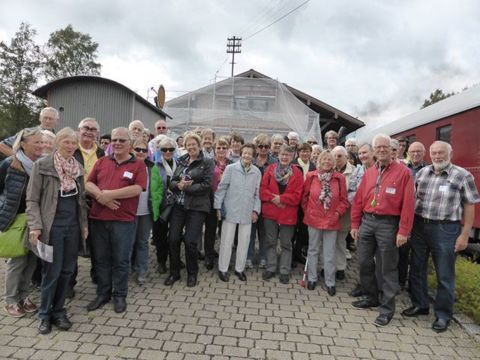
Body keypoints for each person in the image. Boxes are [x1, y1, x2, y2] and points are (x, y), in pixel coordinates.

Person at [402, 141, 479, 333]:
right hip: (420, 226)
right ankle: (420, 305)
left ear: (450, 154)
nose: (437, 156)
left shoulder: (462, 175)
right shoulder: (422, 173)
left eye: (441, 153)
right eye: (434, 153)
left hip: (445, 230)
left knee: (444, 274)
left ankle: (443, 315)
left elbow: (470, 205)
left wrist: (465, 235)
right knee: (417, 268)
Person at [26, 127, 88, 334]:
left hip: (72, 228)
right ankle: (44, 314)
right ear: (57, 143)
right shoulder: (42, 165)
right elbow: (32, 199)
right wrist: (35, 225)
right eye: (66, 142)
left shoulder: (78, 168)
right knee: (51, 272)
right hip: (51, 228)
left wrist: (84, 225)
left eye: (73, 143)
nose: (70, 146)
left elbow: (81, 201)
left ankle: (59, 311)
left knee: (67, 271)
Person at [350, 133, 414, 327]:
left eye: (385, 147)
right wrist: (354, 224)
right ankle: (371, 297)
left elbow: (409, 205)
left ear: (392, 149)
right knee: (363, 261)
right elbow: (359, 200)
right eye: (378, 148)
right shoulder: (369, 172)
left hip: (388, 224)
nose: (381, 150)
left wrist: (404, 231)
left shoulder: (403, 173)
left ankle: (386, 310)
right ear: (374, 151)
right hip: (368, 221)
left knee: (386, 268)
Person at [85, 127, 147, 313]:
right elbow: (88, 183)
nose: (117, 143)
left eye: (122, 140)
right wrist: (100, 196)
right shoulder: (102, 161)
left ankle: (120, 295)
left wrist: (109, 194)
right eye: (115, 140)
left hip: (123, 221)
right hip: (99, 219)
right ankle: (103, 294)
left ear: (130, 143)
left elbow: (137, 189)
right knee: (101, 259)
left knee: (121, 260)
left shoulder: (138, 165)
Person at [1, 127, 44, 318]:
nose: (41, 146)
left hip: (36, 220)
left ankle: (24, 296)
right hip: (15, 219)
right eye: (37, 142)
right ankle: (10, 300)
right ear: (23, 144)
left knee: (32, 260)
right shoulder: (10, 164)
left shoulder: (42, 165)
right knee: (17, 261)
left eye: (42, 142)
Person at [164, 132, 214, 287]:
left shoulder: (207, 162)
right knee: (173, 239)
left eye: (194, 144)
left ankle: (192, 273)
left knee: (191, 241)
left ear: (199, 146)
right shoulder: (181, 160)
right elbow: (172, 182)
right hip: (179, 206)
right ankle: (174, 273)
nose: (191, 147)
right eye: (188, 145)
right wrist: (177, 185)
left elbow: (207, 185)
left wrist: (187, 187)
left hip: (196, 207)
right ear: (184, 147)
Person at [302, 150, 348, 295]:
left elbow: (344, 201)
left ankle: (330, 282)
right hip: (313, 218)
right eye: (324, 159)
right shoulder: (311, 176)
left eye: (330, 159)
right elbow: (304, 197)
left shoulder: (339, 178)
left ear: (333, 162)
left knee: (329, 252)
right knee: (313, 249)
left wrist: (337, 213)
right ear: (319, 161)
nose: (327, 162)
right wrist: (308, 211)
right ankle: (312, 278)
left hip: (331, 220)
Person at [215, 144, 261, 282]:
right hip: (230, 210)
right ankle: (223, 269)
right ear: (241, 154)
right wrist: (218, 207)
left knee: (244, 242)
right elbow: (221, 188)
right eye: (245, 153)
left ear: (253, 156)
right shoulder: (231, 169)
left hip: (247, 211)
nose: (247, 156)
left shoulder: (257, 172)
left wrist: (255, 211)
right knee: (226, 241)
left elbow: (258, 194)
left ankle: (239, 269)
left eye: (250, 154)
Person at [261, 145, 304, 284]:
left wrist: (282, 199)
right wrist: (275, 199)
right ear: (278, 155)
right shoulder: (270, 169)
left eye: (288, 155)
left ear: (292, 157)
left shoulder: (297, 173)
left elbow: (298, 195)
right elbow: (262, 190)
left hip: (287, 213)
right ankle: (271, 268)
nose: (285, 157)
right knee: (270, 242)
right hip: (271, 212)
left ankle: (285, 270)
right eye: (282, 154)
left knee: (286, 244)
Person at [130, 140, 163, 285]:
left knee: (142, 242)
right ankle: (128, 269)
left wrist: (156, 203)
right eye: (138, 149)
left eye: (144, 150)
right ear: (132, 149)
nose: (141, 152)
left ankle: (141, 270)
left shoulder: (152, 168)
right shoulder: (127, 165)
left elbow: (159, 188)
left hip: (146, 212)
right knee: (128, 242)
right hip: (129, 212)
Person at [347, 143, 375, 297]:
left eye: (366, 153)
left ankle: (374, 288)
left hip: (375, 217)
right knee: (363, 255)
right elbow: (351, 191)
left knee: (376, 257)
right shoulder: (357, 170)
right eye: (361, 153)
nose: (363, 156)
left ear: (373, 153)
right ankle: (363, 284)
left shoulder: (379, 170)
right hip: (361, 215)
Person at [246, 134, 276, 268]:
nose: (263, 149)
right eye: (261, 146)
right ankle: (249, 257)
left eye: (266, 146)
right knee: (250, 231)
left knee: (264, 232)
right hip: (250, 200)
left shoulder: (275, 162)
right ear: (256, 147)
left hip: (267, 201)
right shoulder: (250, 161)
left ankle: (264, 257)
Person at [204, 137, 231, 270]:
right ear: (215, 149)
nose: (221, 150)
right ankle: (209, 255)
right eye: (219, 147)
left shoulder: (232, 164)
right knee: (210, 229)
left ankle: (223, 255)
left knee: (224, 230)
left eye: (224, 148)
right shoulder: (209, 163)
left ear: (228, 149)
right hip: (211, 200)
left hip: (227, 202)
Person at [152, 137, 177, 274]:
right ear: (159, 150)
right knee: (160, 236)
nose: (168, 152)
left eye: (171, 149)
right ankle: (161, 261)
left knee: (174, 236)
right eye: (164, 149)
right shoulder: (155, 165)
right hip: (160, 205)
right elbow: (154, 188)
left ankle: (175, 259)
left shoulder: (179, 164)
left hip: (176, 206)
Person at [331, 146, 356, 279]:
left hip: (345, 214)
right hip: (329, 214)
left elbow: (354, 193)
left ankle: (340, 267)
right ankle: (327, 267)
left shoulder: (354, 171)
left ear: (346, 157)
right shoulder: (328, 169)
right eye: (334, 155)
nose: (337, 158)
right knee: (329, 242)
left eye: (340, 156)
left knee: (340, 242)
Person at [291, 142, 316, 265]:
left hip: (307, 202)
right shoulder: (293, 165)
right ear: (298, 152)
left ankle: (298, 252)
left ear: (310, 153)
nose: (305, 153)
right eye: (302, 151)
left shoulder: (314, 166)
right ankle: (289, 255)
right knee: (292, 229)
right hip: (294, 201)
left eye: (307, 151)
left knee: (303, 230)